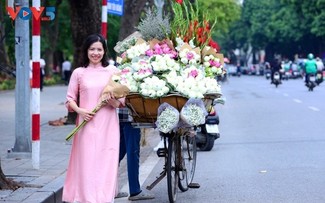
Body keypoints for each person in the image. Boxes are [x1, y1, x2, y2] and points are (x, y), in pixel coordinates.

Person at [62, 34, 124, 203]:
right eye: (92, 49)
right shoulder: (79, 73)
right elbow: (69, 100)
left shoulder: (113, 72)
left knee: (107, 162)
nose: (95, 53)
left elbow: (121, 103)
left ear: (104, 51)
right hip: (86, 125)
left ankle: (104, 199)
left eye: (99, 49)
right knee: (87, 163)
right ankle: (85, 199)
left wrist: (111, 100)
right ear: (86, 51)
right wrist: (81, 111)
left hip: (108, 125)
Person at [117, 107, 155, 201]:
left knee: (117, 152)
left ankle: (110, 188)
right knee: (132, 153)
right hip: (131, 115)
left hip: (118, 114)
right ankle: (135, 191)